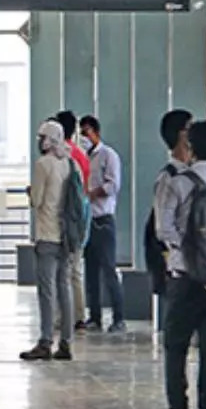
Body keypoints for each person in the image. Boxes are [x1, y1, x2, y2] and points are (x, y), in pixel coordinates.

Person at [153, 111, 206, 409]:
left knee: (176, 348)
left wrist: (184, 251)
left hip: (183, 277)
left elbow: (162, 228)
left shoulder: (173, 179)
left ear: (190, 147)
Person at [21, 120, 75, 362]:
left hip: (47, 234)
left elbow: (37, 200)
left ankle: (45, 341)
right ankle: (66, 341)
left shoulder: (43, 164)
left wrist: (29, 191)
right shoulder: (68, 163)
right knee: (65, 287)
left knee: (46, 290)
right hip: (66, 235)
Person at [78, 115, 126, 333]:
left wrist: (92, 193)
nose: (84, 138)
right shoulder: (82, 158)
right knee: (91, 271)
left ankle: (119, 318)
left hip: (104, 220)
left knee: (109, 270)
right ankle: (94, 317)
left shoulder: (108, 155)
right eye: (81, 133)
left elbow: (113, 185)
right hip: (88, 220)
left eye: (87, 133)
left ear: (96, 132)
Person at [55, 110, 91, 332]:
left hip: (70, 216)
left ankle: (73, 316)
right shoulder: (80, 154)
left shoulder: (66, 156)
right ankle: (78, 314)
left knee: (68, 270)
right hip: (83, 212)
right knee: (76, 268)